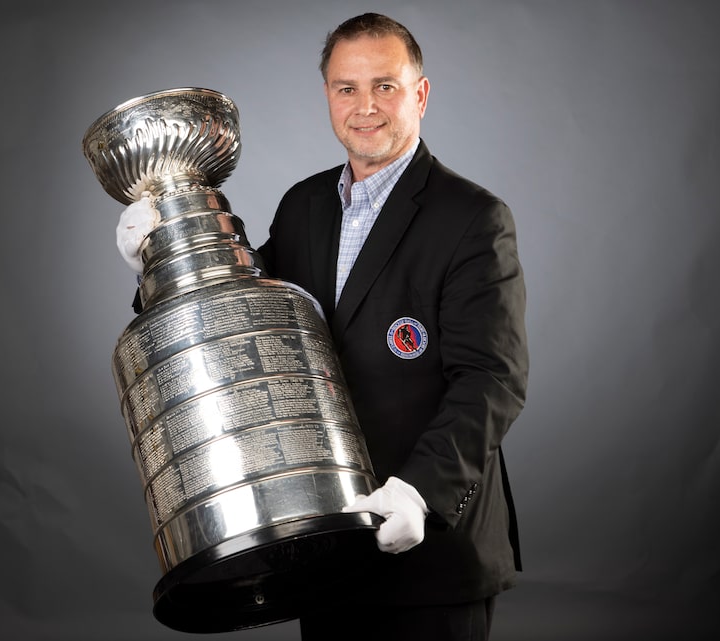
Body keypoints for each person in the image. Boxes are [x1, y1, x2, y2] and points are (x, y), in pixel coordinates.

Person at [117, 13, 528, 641]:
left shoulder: (473, 218)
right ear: (328, 96)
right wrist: (160, 255)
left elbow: (492, 380)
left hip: (430, 548)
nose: (365, 107)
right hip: (325, 545)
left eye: (385, 86)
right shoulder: (304, 205)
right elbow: (236, 317)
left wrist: (419, 493)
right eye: (346, 88)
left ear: (420, 94)